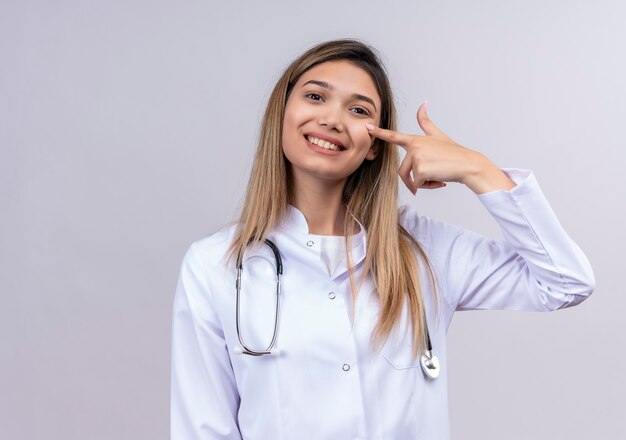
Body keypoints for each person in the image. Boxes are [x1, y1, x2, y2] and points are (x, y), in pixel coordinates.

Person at [170, 39, 595, 439]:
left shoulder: (425, 251)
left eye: (358, 111)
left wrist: (478, 170)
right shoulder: (215, 266)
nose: (333, 120)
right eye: (315, 97)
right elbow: (203, 430)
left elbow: (565, 282)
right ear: (281, 113)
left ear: (375, 145)